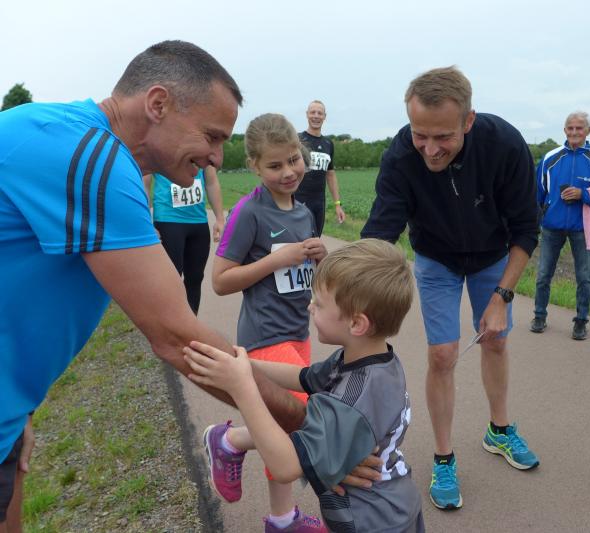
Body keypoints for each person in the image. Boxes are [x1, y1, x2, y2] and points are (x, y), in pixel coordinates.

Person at [0, 41, 375, 533]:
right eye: (212, 136)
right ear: (158, 104)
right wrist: (318, 431)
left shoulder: (67, 137)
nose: (216, 156)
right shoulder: (92, 158)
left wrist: (20, 407)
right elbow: (177, 338)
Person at [361, 66, 540, 511]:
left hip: (492, 255)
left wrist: (502, 297)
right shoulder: (401, 155)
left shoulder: (505, 144)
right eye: (420, 134)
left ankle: (499, 430)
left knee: (495, 339)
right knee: (442, 354)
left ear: (468, 121)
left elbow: (525, 230)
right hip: (436, 257)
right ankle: (444, 457)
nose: (429, 148)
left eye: (443, 136)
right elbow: (380, 232)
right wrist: (354, 292)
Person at [186, 239, 424, 533]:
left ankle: (230, 440)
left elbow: (285, 466)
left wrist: (242, 385)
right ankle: (230, 441)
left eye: (319, 303)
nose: (310, 306)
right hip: (396, 505)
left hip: (373, 522)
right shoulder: (374, 361)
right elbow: (303, 376)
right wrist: (245, 364)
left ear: (357, 324)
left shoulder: (351, 401)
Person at [210, 113, 327, 531]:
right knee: (298, 422)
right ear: (255, 166)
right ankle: (231, 440)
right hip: (264, 336)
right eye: (275, 165)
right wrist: (276, 260)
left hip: (298, 334)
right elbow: (220, 280)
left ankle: (281, 516)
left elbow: (303, 274)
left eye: (293, 159)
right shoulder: (249, 212)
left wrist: (320, 259)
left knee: (285, 424)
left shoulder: (304, 212)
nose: (288, 171)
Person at [529, 111, 590, 340]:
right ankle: (539, 316)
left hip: (582, 227)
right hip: (552, 226)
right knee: (543, 274)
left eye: (579, 128)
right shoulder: (551, 157)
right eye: (570, 128)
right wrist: (537, 219)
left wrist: (583, 194)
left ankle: (581, 321)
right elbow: (538, 192)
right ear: (565, 130)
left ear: (588, 131)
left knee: (584, 277)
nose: (574, 132)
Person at [143, 165, 224, 314]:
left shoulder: (202, 151)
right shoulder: (159, 150)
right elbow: (145, 184)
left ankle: (191, 324)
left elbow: (211, 182)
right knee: (171, 280)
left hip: (199, 223)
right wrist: (146, 222)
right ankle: (169, 323)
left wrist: (220, 218)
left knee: (195, 279)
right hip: (168, 221)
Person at [295, 100, 345, 236]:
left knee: (316, 241)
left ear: (324, 116)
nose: (316, 116)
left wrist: (337, 204)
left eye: (319, 113)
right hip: (298, 201)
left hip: (319, 203)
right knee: (299, 241)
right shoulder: (297, 139)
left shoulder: (328, 143)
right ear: (307, 114)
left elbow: (331, 175)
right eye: (313, 112)